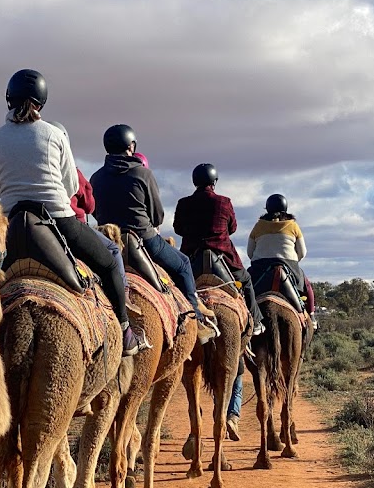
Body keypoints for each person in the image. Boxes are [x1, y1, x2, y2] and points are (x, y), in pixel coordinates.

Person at [0, 70, 142, 356]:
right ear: (41, 102)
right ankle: (124, 330)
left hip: (11, 226)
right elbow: (71, 185)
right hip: (58, 221)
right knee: (110, 261)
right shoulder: (54, 134)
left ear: (8, 99)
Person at [89, 124, 217, 335]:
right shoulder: (142, 173)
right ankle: (197, 319)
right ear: (131, 146)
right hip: (143, 239)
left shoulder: (96, 177)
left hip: (108, 240)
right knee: (184, 264)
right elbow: (157, 216)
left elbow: (94, 211)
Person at [173, 163, 264, 336]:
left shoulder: (183, 203)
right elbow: (233, 227)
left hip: (191, 260)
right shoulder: (224, 202)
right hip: (223, 259)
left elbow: (178, 229)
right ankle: (256, 320)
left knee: (172, 287)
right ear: (214, 182)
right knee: (246, 281)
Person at [49, 121, 128, 296]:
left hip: (39, 228)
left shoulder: (35, 170)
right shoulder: (74, 173)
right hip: (72, 227)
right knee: (113, 251)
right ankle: (124, 306)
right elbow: (90, 206)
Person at [248, 193, 317, 324]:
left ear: (267, 208)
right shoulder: (293, 226)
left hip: (260, 267)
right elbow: (302, 252)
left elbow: (250, 252)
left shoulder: (258, 226)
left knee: (244, 286)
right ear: (285, 207)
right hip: (288, 265)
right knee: (307, 285)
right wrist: (293, 262)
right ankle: (312, 315)